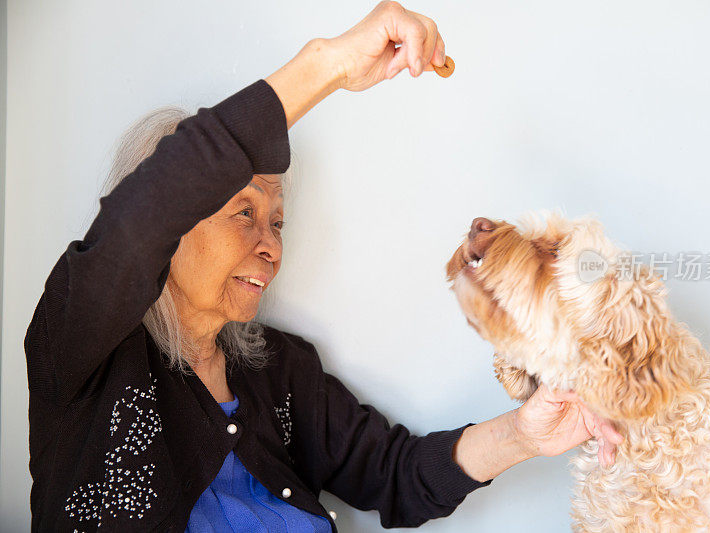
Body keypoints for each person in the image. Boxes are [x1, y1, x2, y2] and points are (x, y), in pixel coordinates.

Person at [24, 2, 623, 531]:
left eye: (277, 222)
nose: (271, 247)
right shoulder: (83, 352)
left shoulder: (280, 372)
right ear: (173, 223)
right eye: (243, 213)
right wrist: (329, 64)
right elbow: (141, 216)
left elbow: (395, 474)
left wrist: (524, 434)